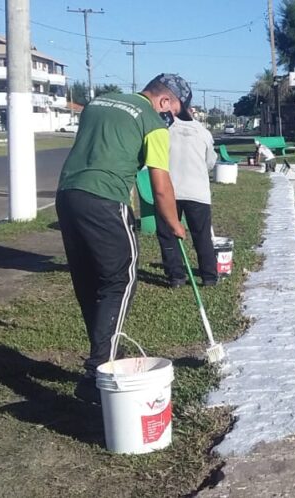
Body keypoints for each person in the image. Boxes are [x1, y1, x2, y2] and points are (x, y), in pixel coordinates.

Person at [55, 73, 192, 403]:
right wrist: (174, 224)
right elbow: (160, 185)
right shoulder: (152, 122)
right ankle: (98, 371)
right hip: (105, 200)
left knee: (88, 280)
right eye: (174, 111)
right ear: (163, 102)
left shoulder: (97, 103)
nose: (172, 119)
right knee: (121, 277)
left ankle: (100, 352)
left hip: (67, 196)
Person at [156, 109, 219, 288]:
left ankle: (176, 276)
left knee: (167, 234)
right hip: (197, 192)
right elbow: (210, 162)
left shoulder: (166, 131)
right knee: (202, 234)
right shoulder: (204, 134)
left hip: (169, 190)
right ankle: (209, 276)